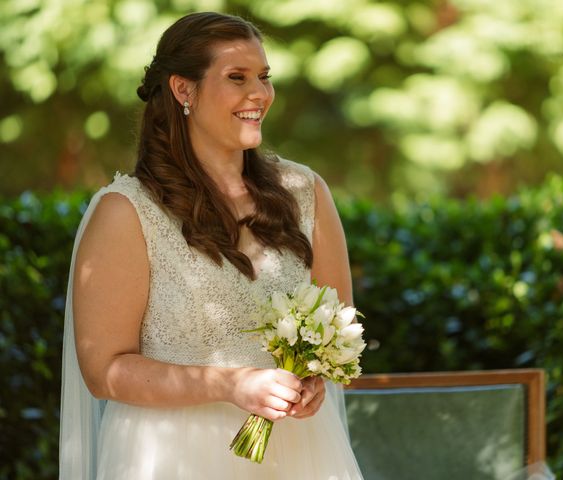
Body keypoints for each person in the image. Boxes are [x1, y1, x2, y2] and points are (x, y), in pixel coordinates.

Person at [59, 11, 363, 480]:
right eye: (236, 77)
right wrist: (233, 383)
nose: (259, 94)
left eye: (264, 77)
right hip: (171, 456)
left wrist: (311, 379)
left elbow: (339, 320)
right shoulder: (126, 212)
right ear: (184, 90)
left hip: (298, 452)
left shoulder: (305, 191)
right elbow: (104, 372)